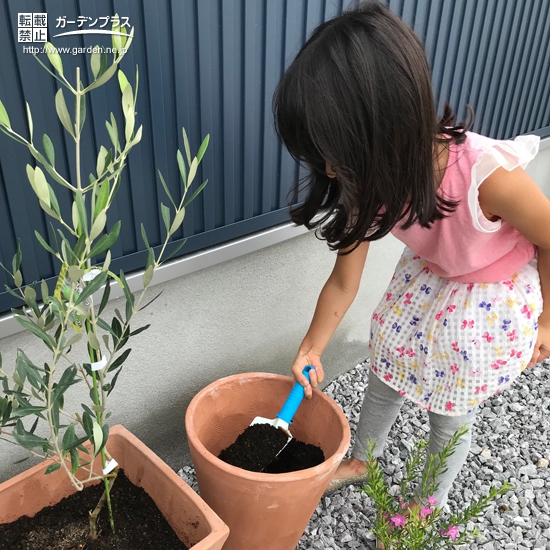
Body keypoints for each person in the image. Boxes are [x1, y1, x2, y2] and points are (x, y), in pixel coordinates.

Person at [273, 0, 550, 526]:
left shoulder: (489, 178)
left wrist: (548, 319)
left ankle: (428, 504)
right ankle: (363, 460)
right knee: (386, 369)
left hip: (487, 298)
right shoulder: (364, 178)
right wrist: (312, 345)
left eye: (334, 152)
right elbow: (343, 281)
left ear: (385, 125)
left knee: (450, 408)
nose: (327, 168)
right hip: (427, 280)